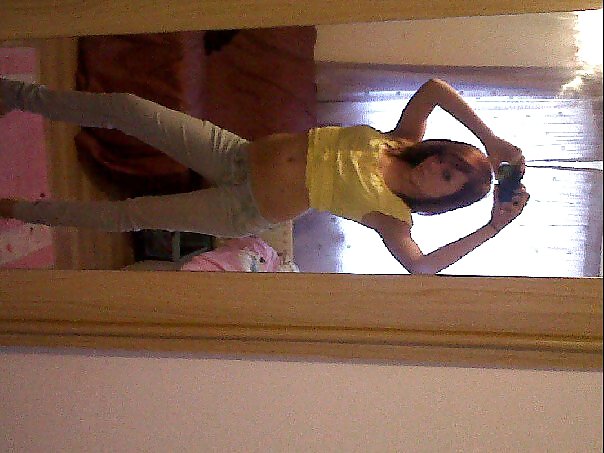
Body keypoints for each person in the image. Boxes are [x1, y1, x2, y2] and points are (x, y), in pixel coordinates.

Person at [0, 77, 529, 274]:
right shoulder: (403, 139)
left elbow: (422, 268)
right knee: (127, 107)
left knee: (130, 215)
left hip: (244, 209)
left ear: (445, 200)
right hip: (236, 153)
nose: (439, 167)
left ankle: (20, 210)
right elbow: (435, 88)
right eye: (448, 159)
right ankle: (16, 95)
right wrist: (491, 142)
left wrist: (492, 228)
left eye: (450, 178)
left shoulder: (394, 218)